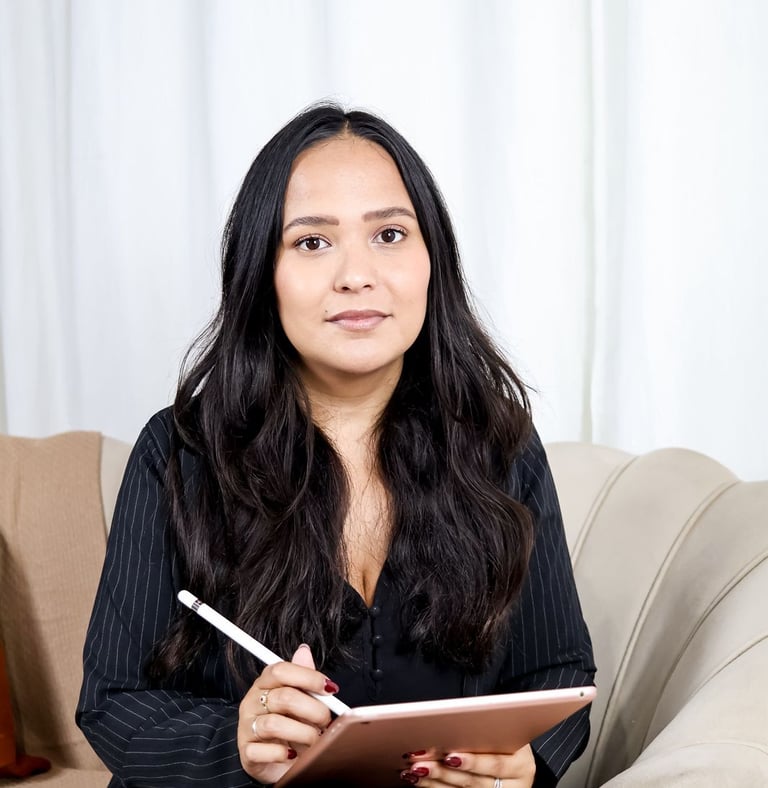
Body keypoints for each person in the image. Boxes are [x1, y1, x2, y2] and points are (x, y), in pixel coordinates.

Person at [77, 103, 595, 788]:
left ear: (432, 259)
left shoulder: (498, 444)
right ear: (262, 273)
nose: (357, 274)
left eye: (389, 233)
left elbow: (558, 674)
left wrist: (524, 764)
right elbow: (112, 703)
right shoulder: (182, 451)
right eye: (312, 242)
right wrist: (235, 740)